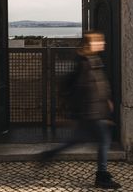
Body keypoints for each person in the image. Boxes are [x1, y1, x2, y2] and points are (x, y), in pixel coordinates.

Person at [39, 31, 121, 190]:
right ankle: (102, 176)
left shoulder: (93, 59)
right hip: (92, 111)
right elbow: (84, 88)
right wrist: (92, 108)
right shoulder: (85, 63)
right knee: (104, 141)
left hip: (94, 109)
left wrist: (106, 100)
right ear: (92, 44)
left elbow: (99, 84)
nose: (103, 43)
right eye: (100, 41)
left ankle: (49, 154)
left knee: (78, 140)